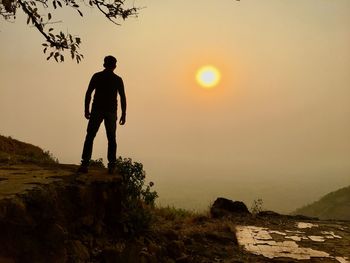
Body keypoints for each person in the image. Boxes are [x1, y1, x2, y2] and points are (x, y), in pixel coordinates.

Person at [78, 55, 126, 174]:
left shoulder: (97, 76)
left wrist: (86, 109)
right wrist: (123, 113)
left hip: (97, 110)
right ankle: (112, 165)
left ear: (104, 64)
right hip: (110, 111)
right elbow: (123, 98)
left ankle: (85, 163)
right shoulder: (117, 79)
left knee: (90, 136)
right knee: (111, 138)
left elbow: (88, 93)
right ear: (114, 66)